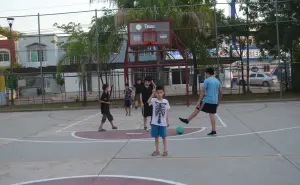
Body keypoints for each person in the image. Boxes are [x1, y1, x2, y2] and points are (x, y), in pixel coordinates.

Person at [179, 67, 222, 136]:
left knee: (197, 109)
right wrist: (218, 101)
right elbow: (221, 92)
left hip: (207, 100)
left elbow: (202, 92)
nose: (205, 75)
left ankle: (187, 120)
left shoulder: (207, 80)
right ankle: (214, 130)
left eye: (206, 73)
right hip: (214, 101)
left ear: (207, 73)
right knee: (212, 114)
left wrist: (199, 101)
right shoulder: (217, 81)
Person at [148, 85, 170, 157]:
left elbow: (166, 112)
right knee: (156, 136)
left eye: (161, 92)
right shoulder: (154, 100)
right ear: (156, 93)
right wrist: (152, 94)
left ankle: (165, 150)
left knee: (164, 137)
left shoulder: (165, 101)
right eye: (158, 93)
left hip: (163, 123)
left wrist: (167, 121)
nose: (159, 94)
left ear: (163, 93)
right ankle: (157, 150)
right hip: (154, 123)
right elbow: (148, 101)